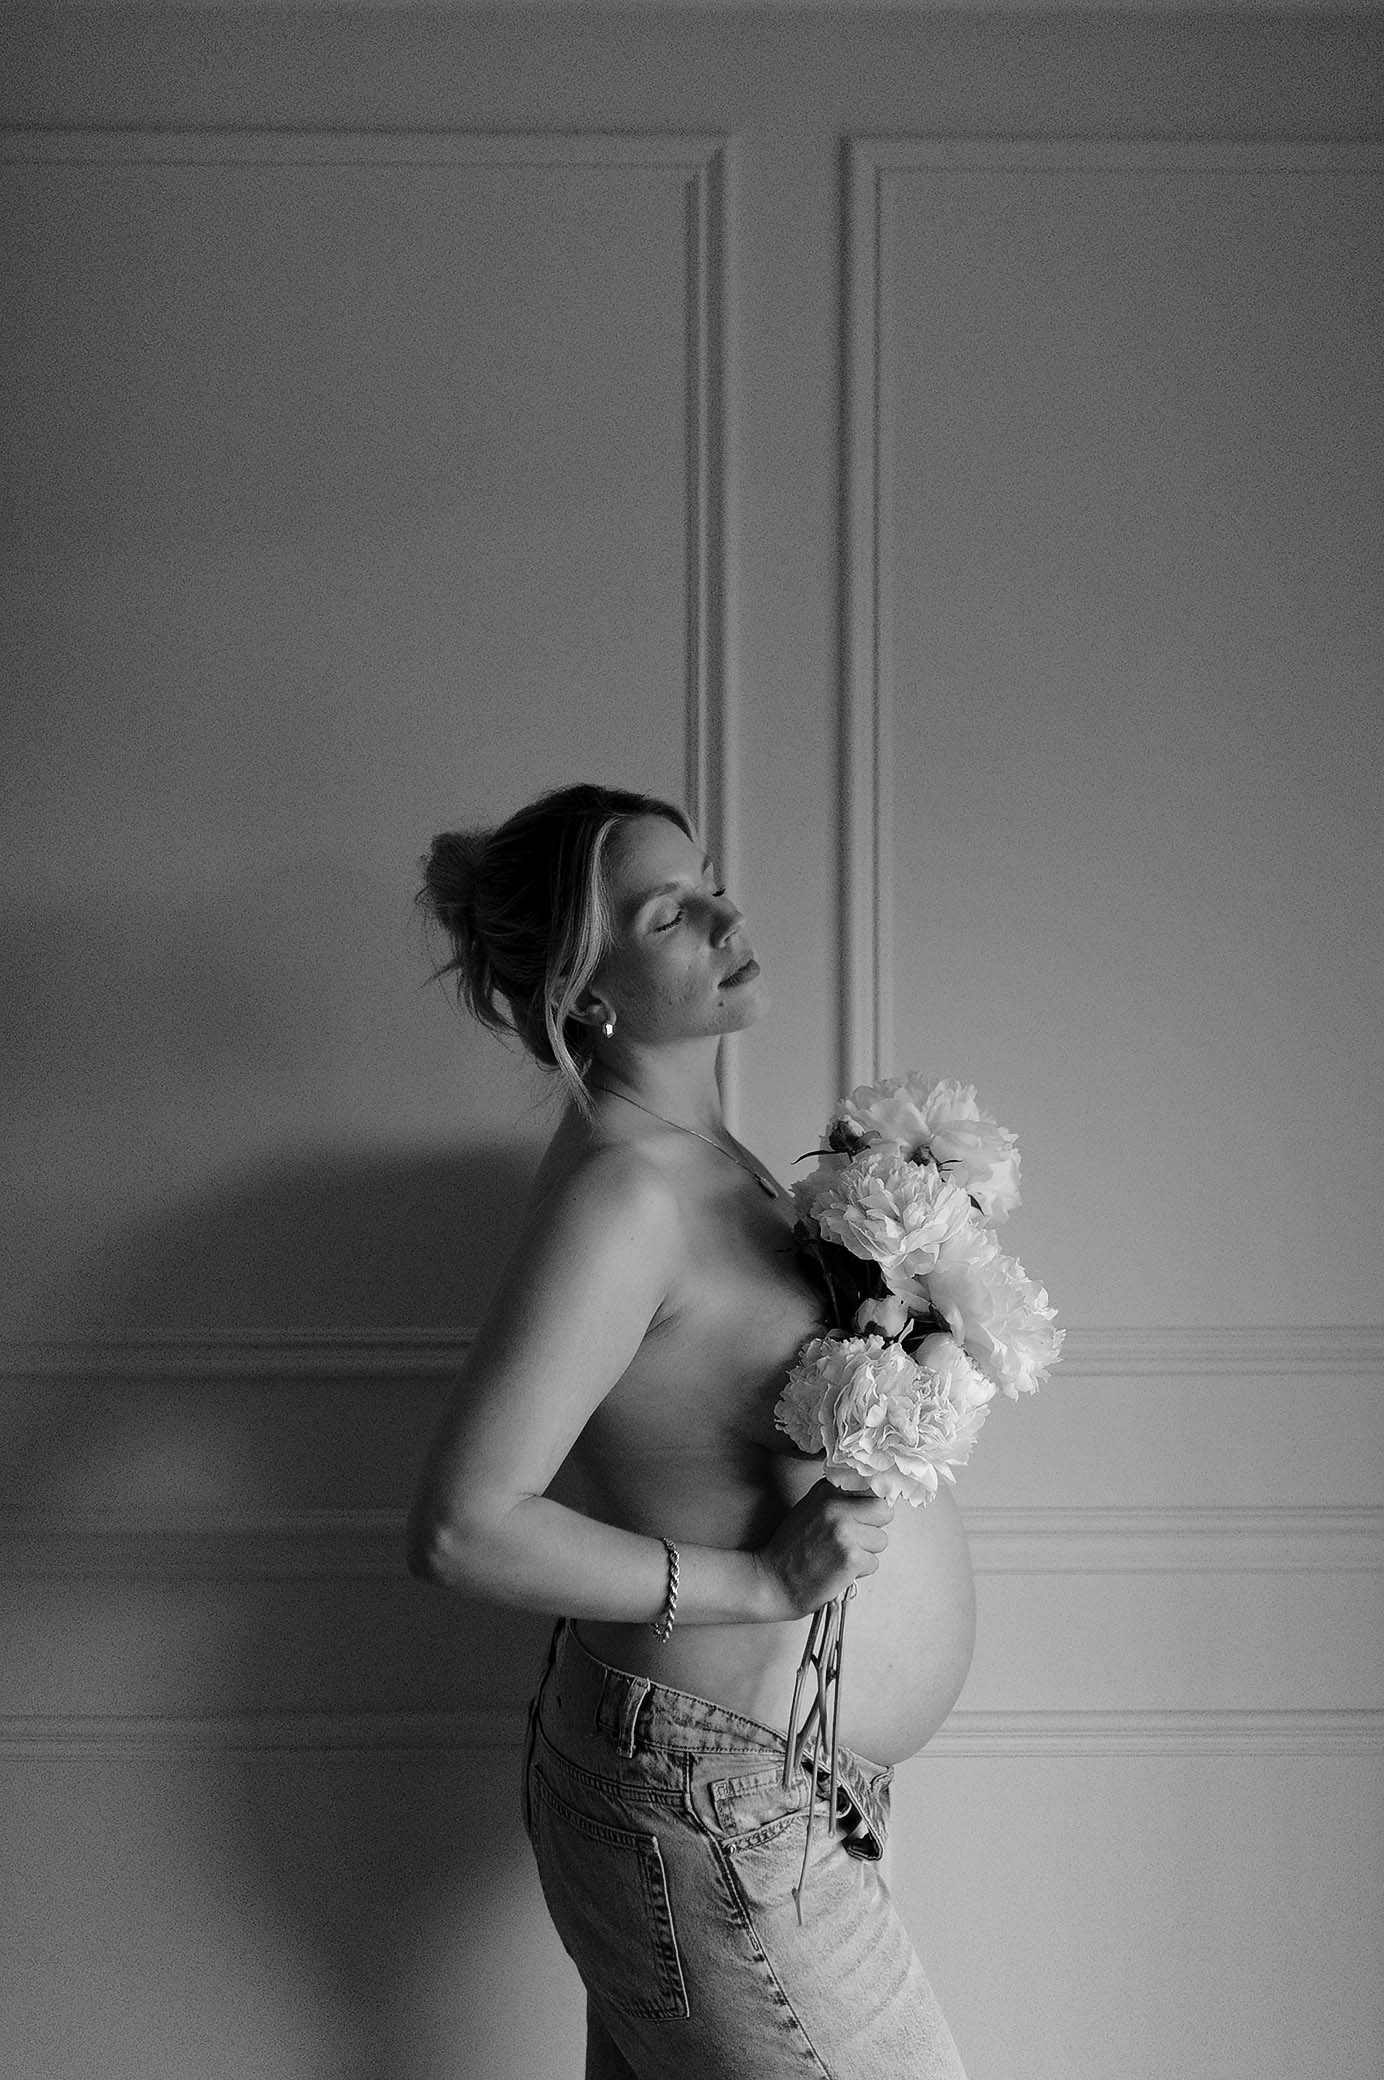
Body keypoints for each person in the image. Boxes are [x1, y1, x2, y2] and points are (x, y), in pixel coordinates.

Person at [407, 782, 973, 2080]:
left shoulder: (710, 1158)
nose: (726, 917)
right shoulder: (627, 1196)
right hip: (711, 1807)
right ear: (586, 990)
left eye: (709, 882)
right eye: (669, 914)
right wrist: (760, 1585)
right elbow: (462, 1527)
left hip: (758, 1790)